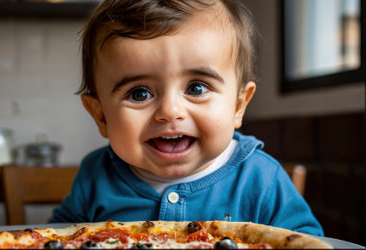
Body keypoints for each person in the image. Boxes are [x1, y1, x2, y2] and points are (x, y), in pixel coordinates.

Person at [50, 0, 324, 236]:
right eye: (139, 93)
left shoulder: (262, 180)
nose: (170, 111)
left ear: (239, 106)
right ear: (100, 116)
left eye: (196, 88)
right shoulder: (95, 177)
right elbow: (55, 238)